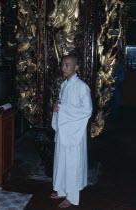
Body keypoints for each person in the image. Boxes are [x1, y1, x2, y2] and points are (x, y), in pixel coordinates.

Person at [51, 54, 93, 208]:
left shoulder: (82, 86)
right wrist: (56, 108)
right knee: (61, 161)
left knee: (72, 164)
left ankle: (72, 197)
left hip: (75, 132)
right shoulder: (64, 85)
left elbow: (87, 110)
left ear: (76, 67)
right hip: (64, 130)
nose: (63, 68)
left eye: (67, 65)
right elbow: (61, 105)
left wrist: (62, 108)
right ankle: (62, 190)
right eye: (62, 65)